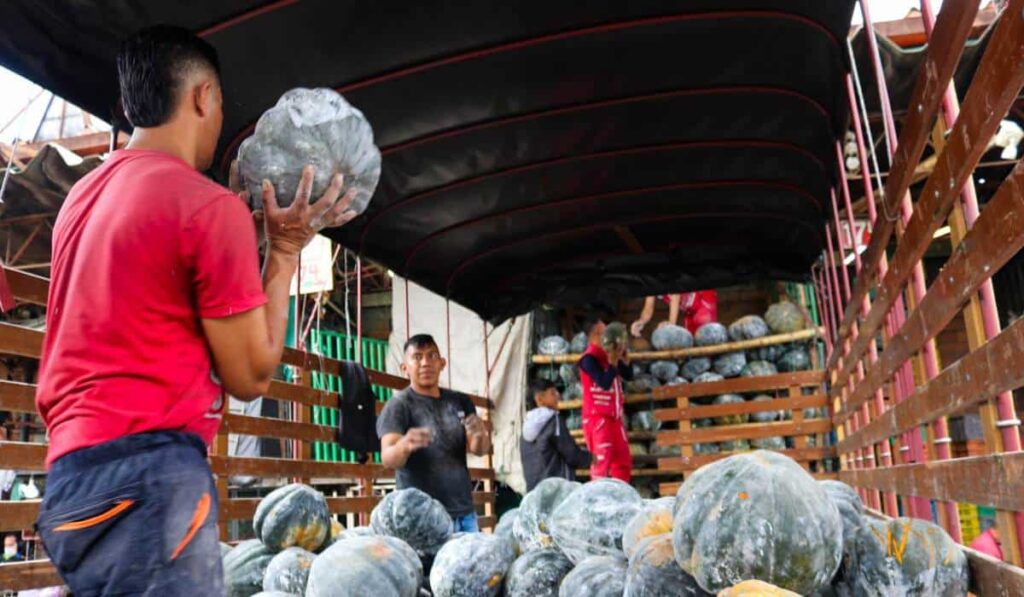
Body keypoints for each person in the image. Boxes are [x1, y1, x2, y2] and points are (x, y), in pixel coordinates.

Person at [34, 26, 357, 595]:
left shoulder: (79, 200)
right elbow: (251, 374)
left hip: (67, 484)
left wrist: (241, 241)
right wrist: (282, 253)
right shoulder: (206, 205)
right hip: (148, 480)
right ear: (203, 97)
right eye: (222, 104)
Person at [378, 334, 491, 532]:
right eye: (417, 357)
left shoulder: (460, 401)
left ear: (442, 363)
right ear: (405, 368)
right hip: (420, 518)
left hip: (463, 513)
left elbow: (479, 450)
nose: (425, 363)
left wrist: (481, 434)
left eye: (431, 356)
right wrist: (404, 445)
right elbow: (388, 458)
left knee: (471, 563)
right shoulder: (399, 406)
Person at [578, 317, 633, 482]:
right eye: (604, 332)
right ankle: (598, 501)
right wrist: (613, 361)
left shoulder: (608, 355)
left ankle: (622, 496)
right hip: (598, 419)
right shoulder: (588, 359)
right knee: (601, 464)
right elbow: (603, 382)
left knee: (623, 462)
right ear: (595, 334)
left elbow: (628, 376)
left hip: (614, 418)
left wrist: (624, 359)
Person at [520, 379, 591, 491]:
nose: (558, 396)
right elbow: (572, 455)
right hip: (557, 490)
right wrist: (592, 458)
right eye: (552, 393)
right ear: (540, 399)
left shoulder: (525, 426)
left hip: (534, 491)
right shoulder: (554, 420)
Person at [631, 290, 719, 337]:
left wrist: (671, 323)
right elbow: (648, 308)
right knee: (692, 339)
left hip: (703, 298)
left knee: (706, 333)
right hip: (689, 311)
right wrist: (641, 321)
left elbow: (675, 297)